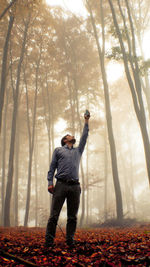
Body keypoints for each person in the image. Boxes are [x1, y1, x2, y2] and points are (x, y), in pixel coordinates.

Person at [45, 111, 90, 247]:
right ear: (65, 139)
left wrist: (86, 121)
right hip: (60, 185)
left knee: (72, 216)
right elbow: (52, 167)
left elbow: (84, 137)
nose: (73, 136)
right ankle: (49, 241)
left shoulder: (78, 150)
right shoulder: (58, 150)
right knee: (54, 215)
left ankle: (70, 241)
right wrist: (49, 182)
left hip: (75, 186)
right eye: (70, 135)